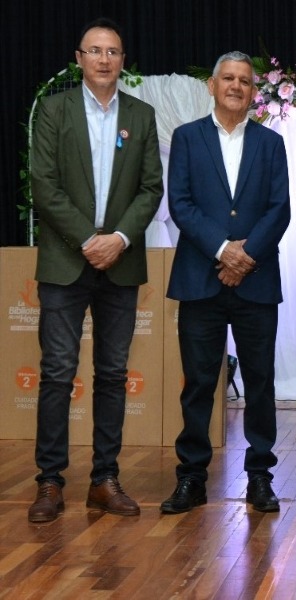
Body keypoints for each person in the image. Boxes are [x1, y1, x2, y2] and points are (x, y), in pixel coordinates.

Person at [27, 18, 163, 523]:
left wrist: (119, 239)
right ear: (79, 58)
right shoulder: (54, 110)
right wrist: (88, 240)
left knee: (111, 375)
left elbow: (151, 188)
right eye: (95, 50)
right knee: (58, 373)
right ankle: (49, 482)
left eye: (114, 51)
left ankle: (105, 480)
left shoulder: (142, 115)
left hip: (120, 264)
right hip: (66, 262)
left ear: (122, 61)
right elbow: (44, 184)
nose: (105, 59)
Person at [161, 51, 291, 514]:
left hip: (255, 282)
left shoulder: (271, 143)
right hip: (201, 278)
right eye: (228, 78)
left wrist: (245, 256)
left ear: (254, 92)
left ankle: (260, 477)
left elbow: (280, 209)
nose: (236, 86)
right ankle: (192, 478)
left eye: (245, 81)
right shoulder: (187, 137)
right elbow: (181, 203)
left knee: (259, 382)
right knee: (198, 383)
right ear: (211, 86)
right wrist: (223, 250)